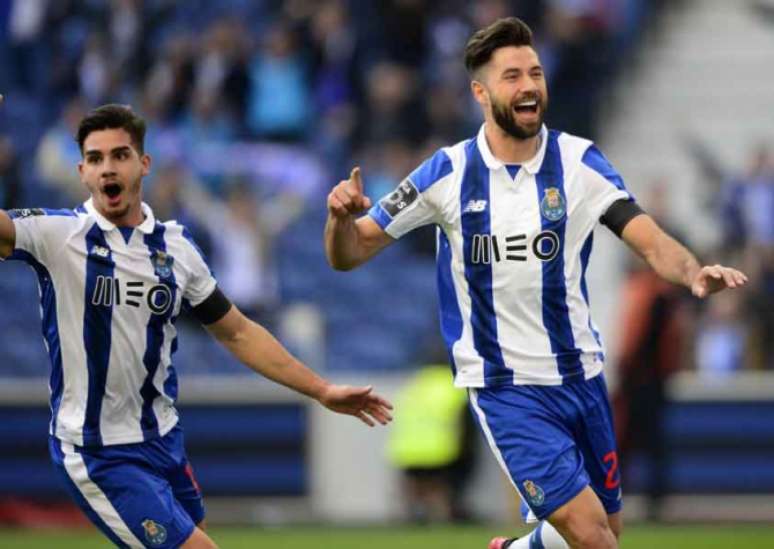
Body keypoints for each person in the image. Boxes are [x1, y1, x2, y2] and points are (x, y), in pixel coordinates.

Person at [323, 17, 747, 549]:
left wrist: (692, 271)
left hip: (582, 376)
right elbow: (350, 253)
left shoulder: (579, 162)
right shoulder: (446, 173)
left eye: (535, 73)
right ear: (481, 92)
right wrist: (339, 220)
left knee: (603, 529)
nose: (528, 86)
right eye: (512, 76)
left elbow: (648, 239)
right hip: (506, 388)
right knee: (595, 538)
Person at [0, 99, 393, 549]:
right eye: (95, 159)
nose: (108, 169)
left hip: (163, 438)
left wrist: (322, 390)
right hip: (97, 450)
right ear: (82, 173)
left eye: (120, 155)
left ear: (144, 164)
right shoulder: (57, 236)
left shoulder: (176, 248)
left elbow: (238, 331)